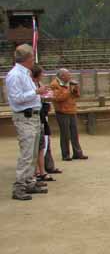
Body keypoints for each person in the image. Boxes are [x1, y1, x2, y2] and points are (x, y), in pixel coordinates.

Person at [6, 44, 51, 201]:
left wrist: (39, 95)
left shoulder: (25, 73)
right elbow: (16, 97)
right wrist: (36, 92)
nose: (34, 60)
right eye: (32, 57)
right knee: (26, 153)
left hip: (32, 116)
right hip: (24, 117)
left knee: (32, 152)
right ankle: (19, 186)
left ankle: (29, 181)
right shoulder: (15, 75)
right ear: (27, 59)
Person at [50, 68, 88, 161]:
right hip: (62, 111)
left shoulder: (70, 83)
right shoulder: (54, 85)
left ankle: (78, 153)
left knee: (74, 133)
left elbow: (77, 95)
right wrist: (69, 91)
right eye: (68, 75)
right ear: (62, 76)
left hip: (71, 110)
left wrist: (75, 90)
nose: (70, 76)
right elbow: (57, 98)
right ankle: (65, 154)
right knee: (65, 134)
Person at [31, 65, 61, 182]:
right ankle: (37, 171)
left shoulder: (39, 84)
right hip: (37, 116)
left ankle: (43, 170)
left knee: (44, 144)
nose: (43, 75)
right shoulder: (33, 86)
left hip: (43, 116)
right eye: (41, 74)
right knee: (38, 146)